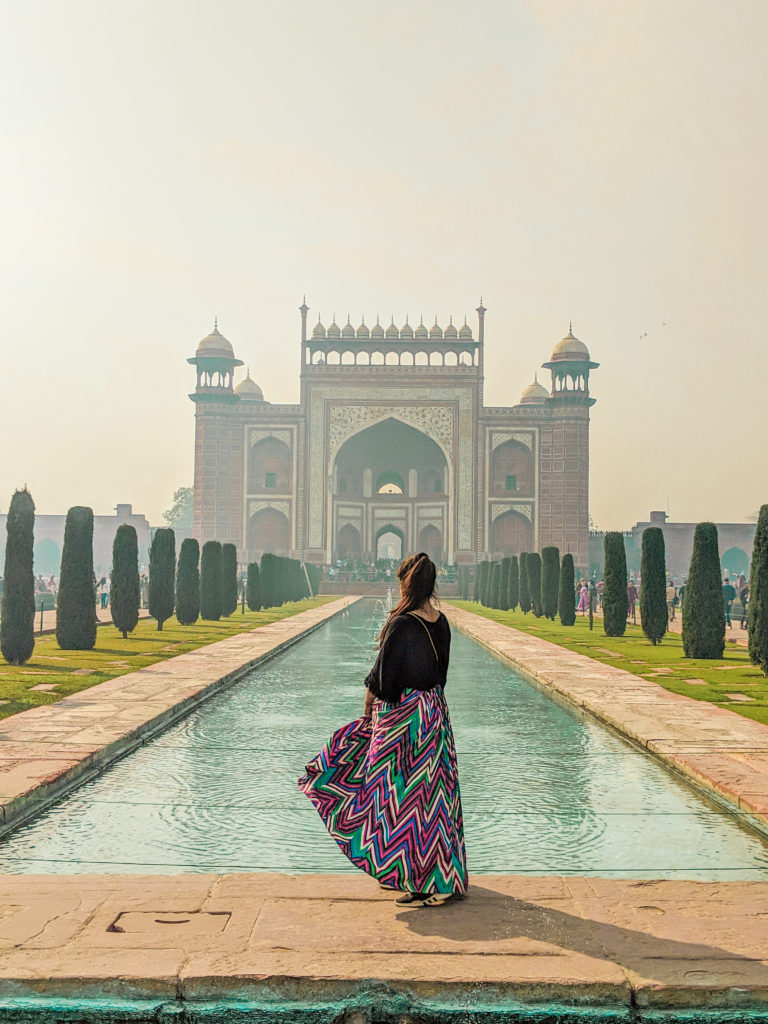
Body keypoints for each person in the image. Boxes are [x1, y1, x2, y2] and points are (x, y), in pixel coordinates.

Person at [299, 552, 467, 909]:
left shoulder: (402, 623)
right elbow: (442, 675)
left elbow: (383, 677)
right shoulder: (442, 622)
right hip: (434, 715)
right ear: (432, 585)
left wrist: (368, 709)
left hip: (403, 718)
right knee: (431, 798)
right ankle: (427, 876)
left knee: (392, 796)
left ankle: (422, 885)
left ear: (407, 583)